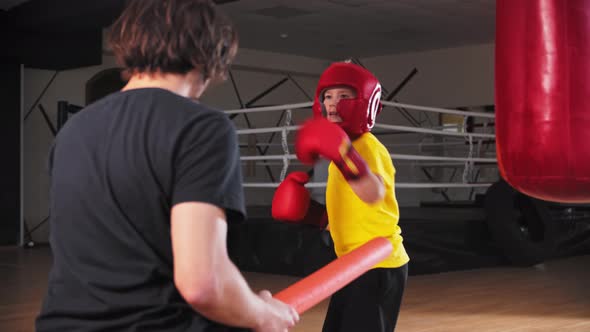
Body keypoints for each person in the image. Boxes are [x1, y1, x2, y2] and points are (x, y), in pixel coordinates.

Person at [35, 0, 299, 331]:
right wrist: (263, 315)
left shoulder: (73, 131)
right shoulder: (203, 128)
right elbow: (203, 283)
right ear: (210, 56)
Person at [272, 62, 409, 332]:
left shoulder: (365, 146)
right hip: (350, 265)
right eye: (328, 96)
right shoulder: (344, 153)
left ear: (365, 103)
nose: (334, 103)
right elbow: (348, 211)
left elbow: (373, 193)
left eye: (344, 96)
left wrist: (343, 155)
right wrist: (309, 214)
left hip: (378, 264)